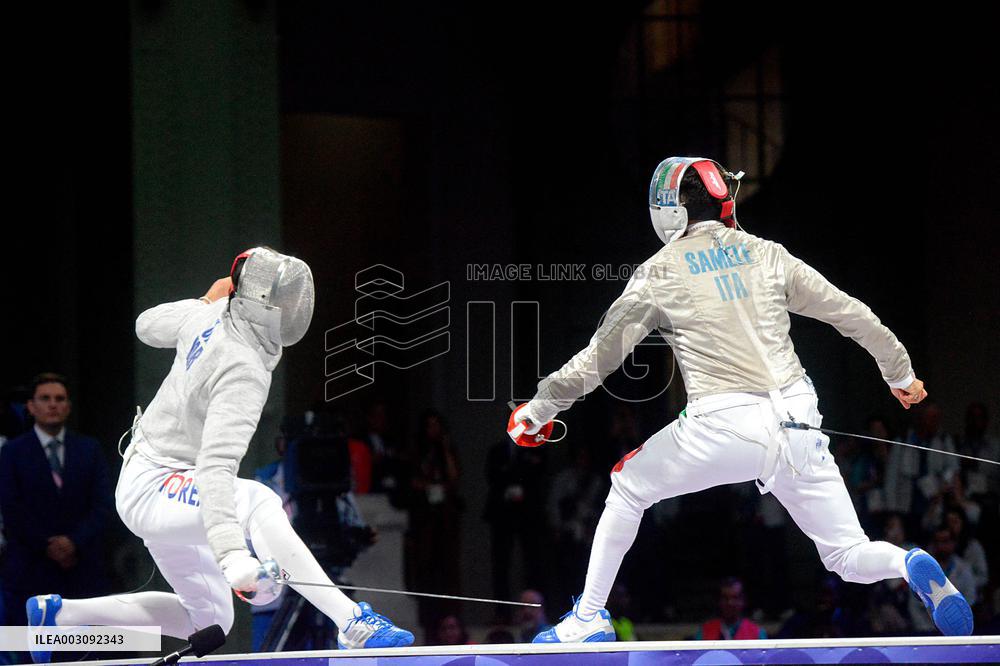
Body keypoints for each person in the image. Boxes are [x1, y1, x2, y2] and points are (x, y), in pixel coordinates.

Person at [512, 157, 973, 642]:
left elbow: (596, 361)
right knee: (847, 555)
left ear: (667, 211)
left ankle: (587, 618)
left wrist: (537, 411)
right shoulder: (767, 253)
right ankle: (908, 562)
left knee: (628, 486)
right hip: (800, 419)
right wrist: (898, 371)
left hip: (724, 424)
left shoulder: (659, 272)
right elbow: (849, 311)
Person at [25, 248, 412, 663]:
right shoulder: (244, 367)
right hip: (157, 484)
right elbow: (217, 467)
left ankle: (59, 617)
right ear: (263, 302)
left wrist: (204, 302)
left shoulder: (211, 314)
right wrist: (232, 557)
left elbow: (146, 326)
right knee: (258, 500)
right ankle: (351, 622)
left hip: (161, 480)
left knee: (208, 619)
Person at [0, 373, 113, 631]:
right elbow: (11, 508)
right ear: (31, 406)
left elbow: (102, 505)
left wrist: (73, 543)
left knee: (84, 649)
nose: (53, 404)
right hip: (31, 569)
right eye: (45, 398)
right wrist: (47, 545)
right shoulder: (12, 452)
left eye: (60, 399)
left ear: (68, 407)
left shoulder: (89, 449)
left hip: (82, 570)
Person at [694, 577, 766, 640]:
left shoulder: (757, 632)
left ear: (743, 600)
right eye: (725, 598)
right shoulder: (704, 631)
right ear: (719, 600)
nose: (730, 603)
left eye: (735, 598)